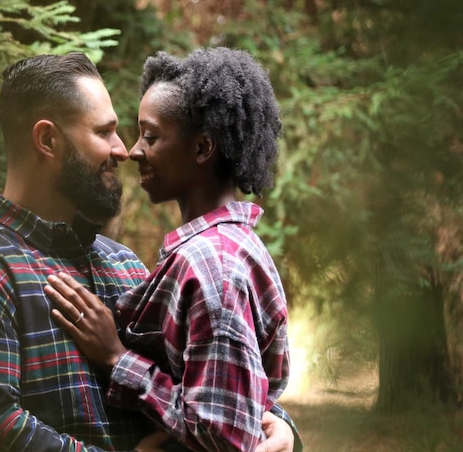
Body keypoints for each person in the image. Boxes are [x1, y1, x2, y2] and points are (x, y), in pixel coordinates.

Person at [0, 52, 296, 452]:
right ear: (47, 140)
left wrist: (279, 428)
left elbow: (208, 381)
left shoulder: (122, 265)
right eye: (104, 132)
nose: (122, 150)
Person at [45, 48, 301, 452]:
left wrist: (116, 357)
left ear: (202, 148)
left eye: (151, 136)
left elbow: (223, 435)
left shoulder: (211, 266)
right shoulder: (231, 248)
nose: (133, 150)